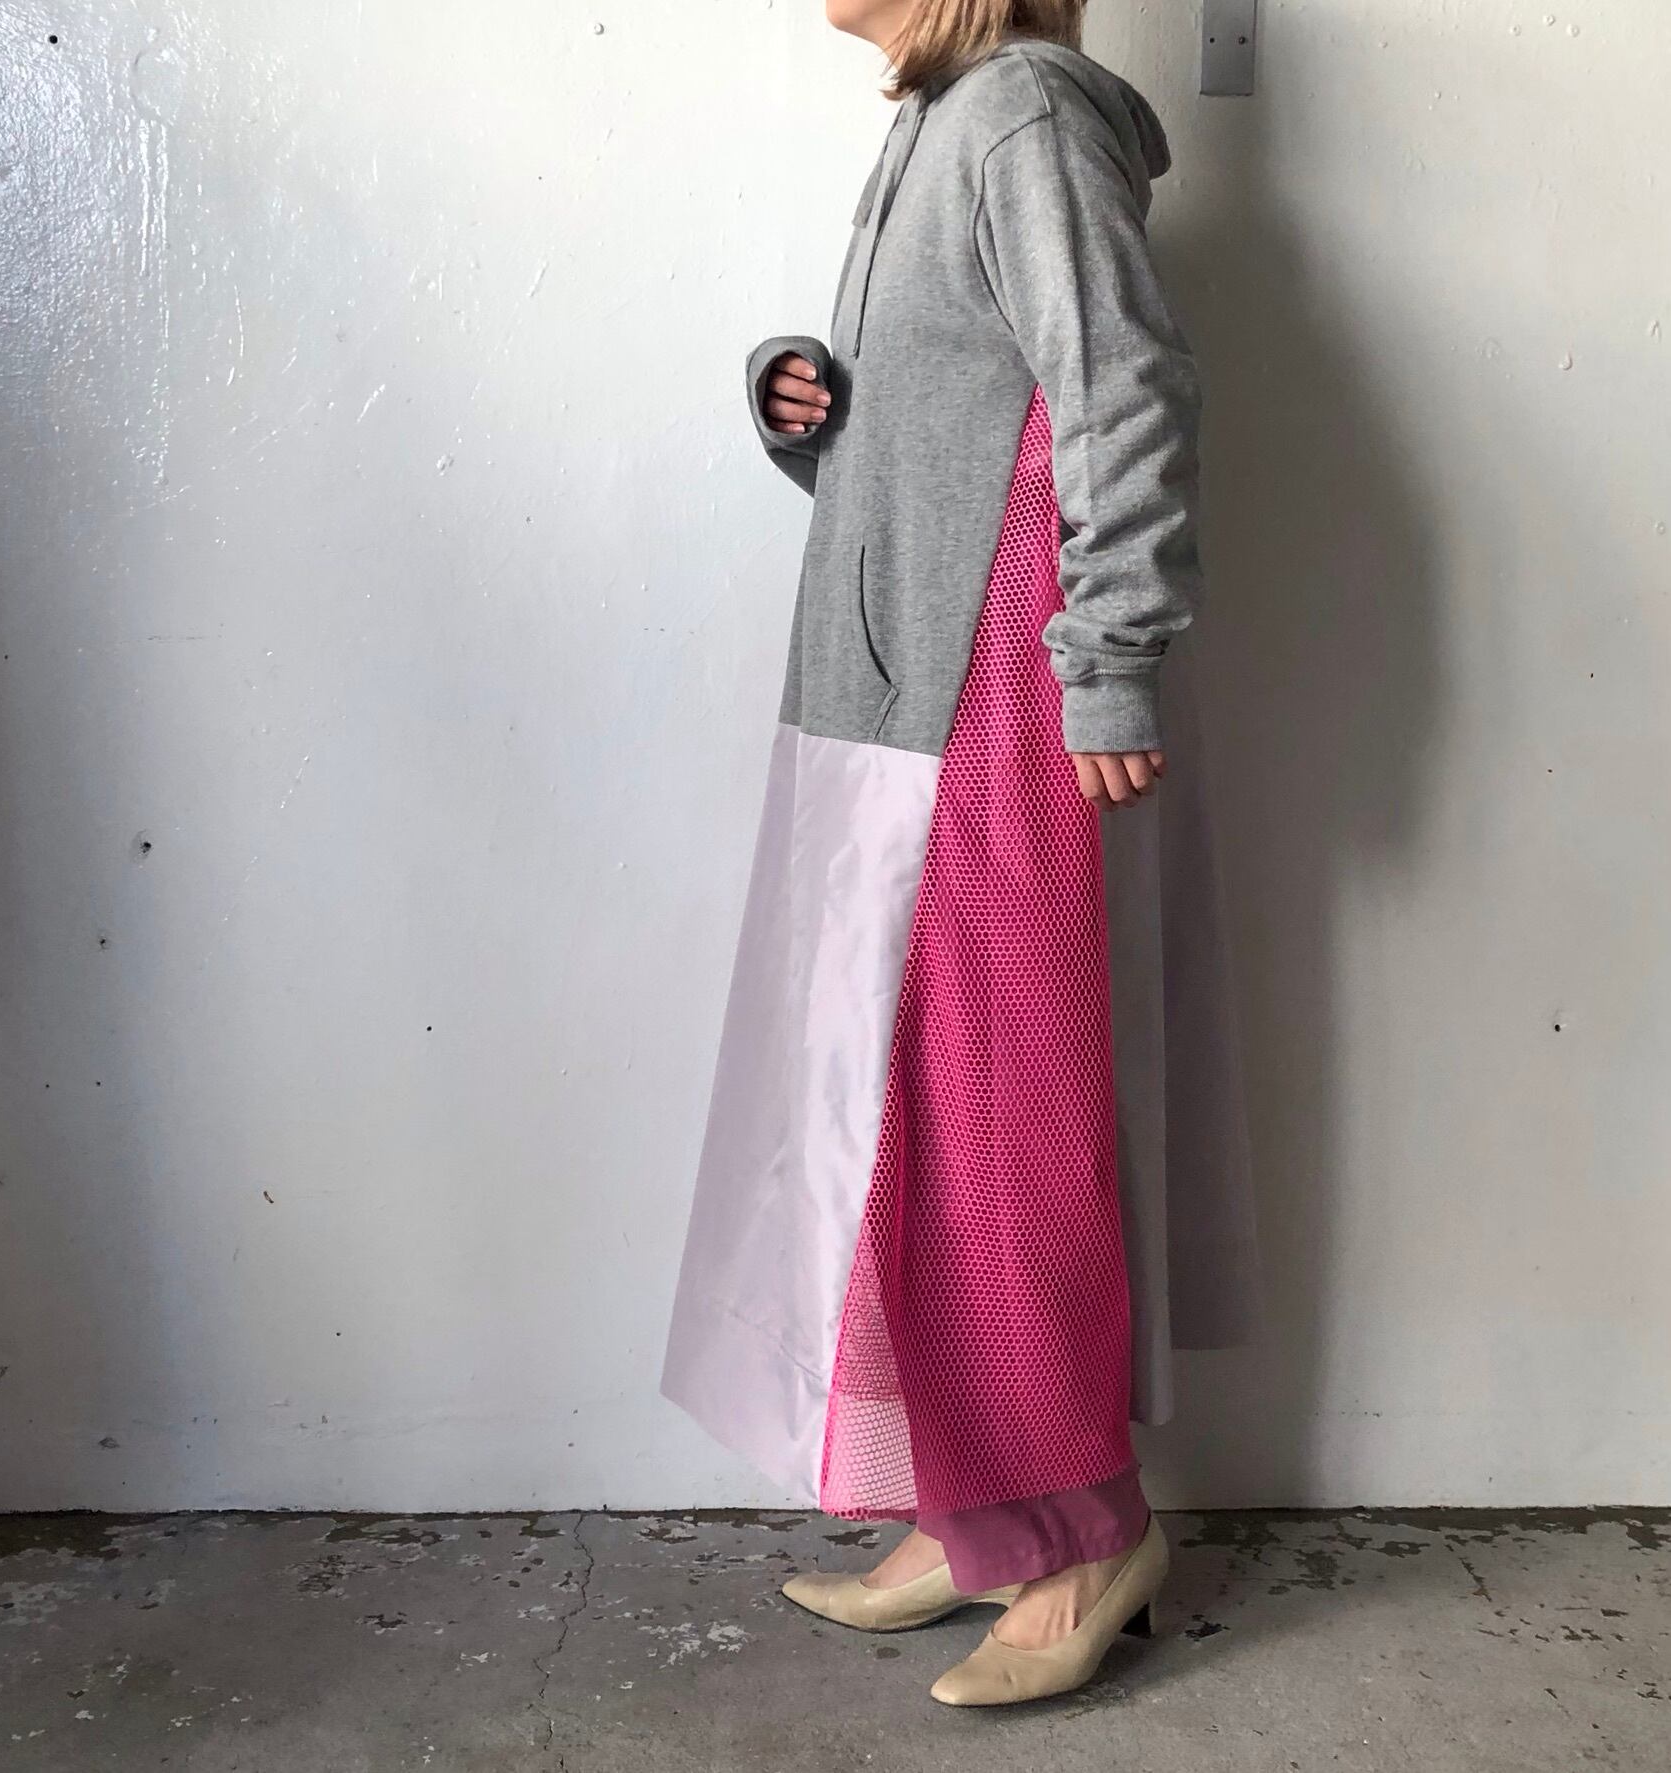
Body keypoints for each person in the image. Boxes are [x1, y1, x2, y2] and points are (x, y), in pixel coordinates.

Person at [662, 0, 1261, 1708]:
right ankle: (978, 1505)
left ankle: (1083, 1535)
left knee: (1006, 1123)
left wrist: (1113, 656)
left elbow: (1123, 387)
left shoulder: (1023, 117)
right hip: (906, 704)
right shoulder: (939, 119)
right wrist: (814, 415)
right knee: (905, 1114)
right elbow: (965, 431)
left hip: (1000, 700)